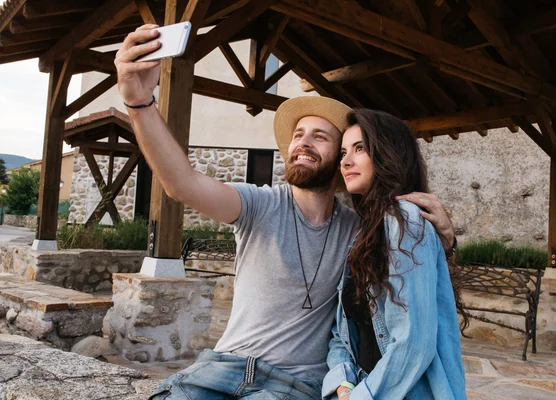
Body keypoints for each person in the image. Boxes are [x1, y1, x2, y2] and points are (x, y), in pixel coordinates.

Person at [114, 25, 457, 400]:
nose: (303, 142)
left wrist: (447, 243)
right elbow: (181, 183)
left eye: (321, 137)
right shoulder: (259, 204)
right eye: (298, 134)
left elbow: (411, 304)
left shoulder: (361, 231)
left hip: (292, 385)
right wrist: (139, 101)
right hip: (222, 369)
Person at [323, 109, 467, 400]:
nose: (346, 161)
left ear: (389, 153)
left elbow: (414, 342)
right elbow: (343, 330)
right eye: (343, 153)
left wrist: (362, 395)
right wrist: (343, 383)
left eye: (360, 148)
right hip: (366, 387)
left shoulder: (405, 219)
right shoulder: (364, 232)